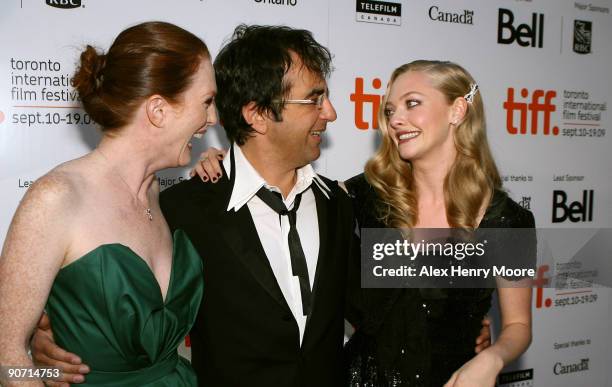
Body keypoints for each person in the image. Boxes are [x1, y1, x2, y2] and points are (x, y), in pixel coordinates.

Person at [30, 27, 493, 387]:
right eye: (315, 99)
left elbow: (384, 305)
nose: (331, 114)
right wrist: (48, 339)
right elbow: (109, 300)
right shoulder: (183, 208)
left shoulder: (345, 200)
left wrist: (463, 326)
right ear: (256, 113)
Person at [0, 21, 216, 386]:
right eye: (207, 103)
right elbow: (8, 359)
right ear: (159, 110)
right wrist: (48, 370)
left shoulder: (152, 193)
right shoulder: (55, 199)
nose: (212, 119)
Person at [344, 60, 534, 387]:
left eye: (412, 104)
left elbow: (518, 326)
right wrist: (224, 158)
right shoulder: (368, 195)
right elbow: (286, 189)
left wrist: (493, 357)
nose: (396, 120)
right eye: (390, 111)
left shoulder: (506, 220)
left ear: (457, 111)